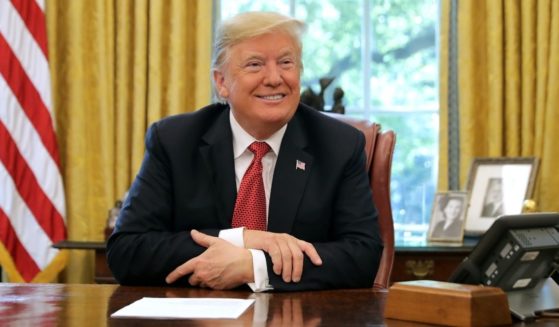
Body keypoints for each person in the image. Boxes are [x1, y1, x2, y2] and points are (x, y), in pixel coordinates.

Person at [106, 11, 383, 292]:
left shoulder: (338, 145)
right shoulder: (175, 141)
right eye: (255, 64)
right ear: (222, 82)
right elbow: (127, 251)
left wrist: (254, 266)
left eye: (286, 63)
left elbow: (362, 256)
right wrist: (243, 239)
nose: (275, 78)